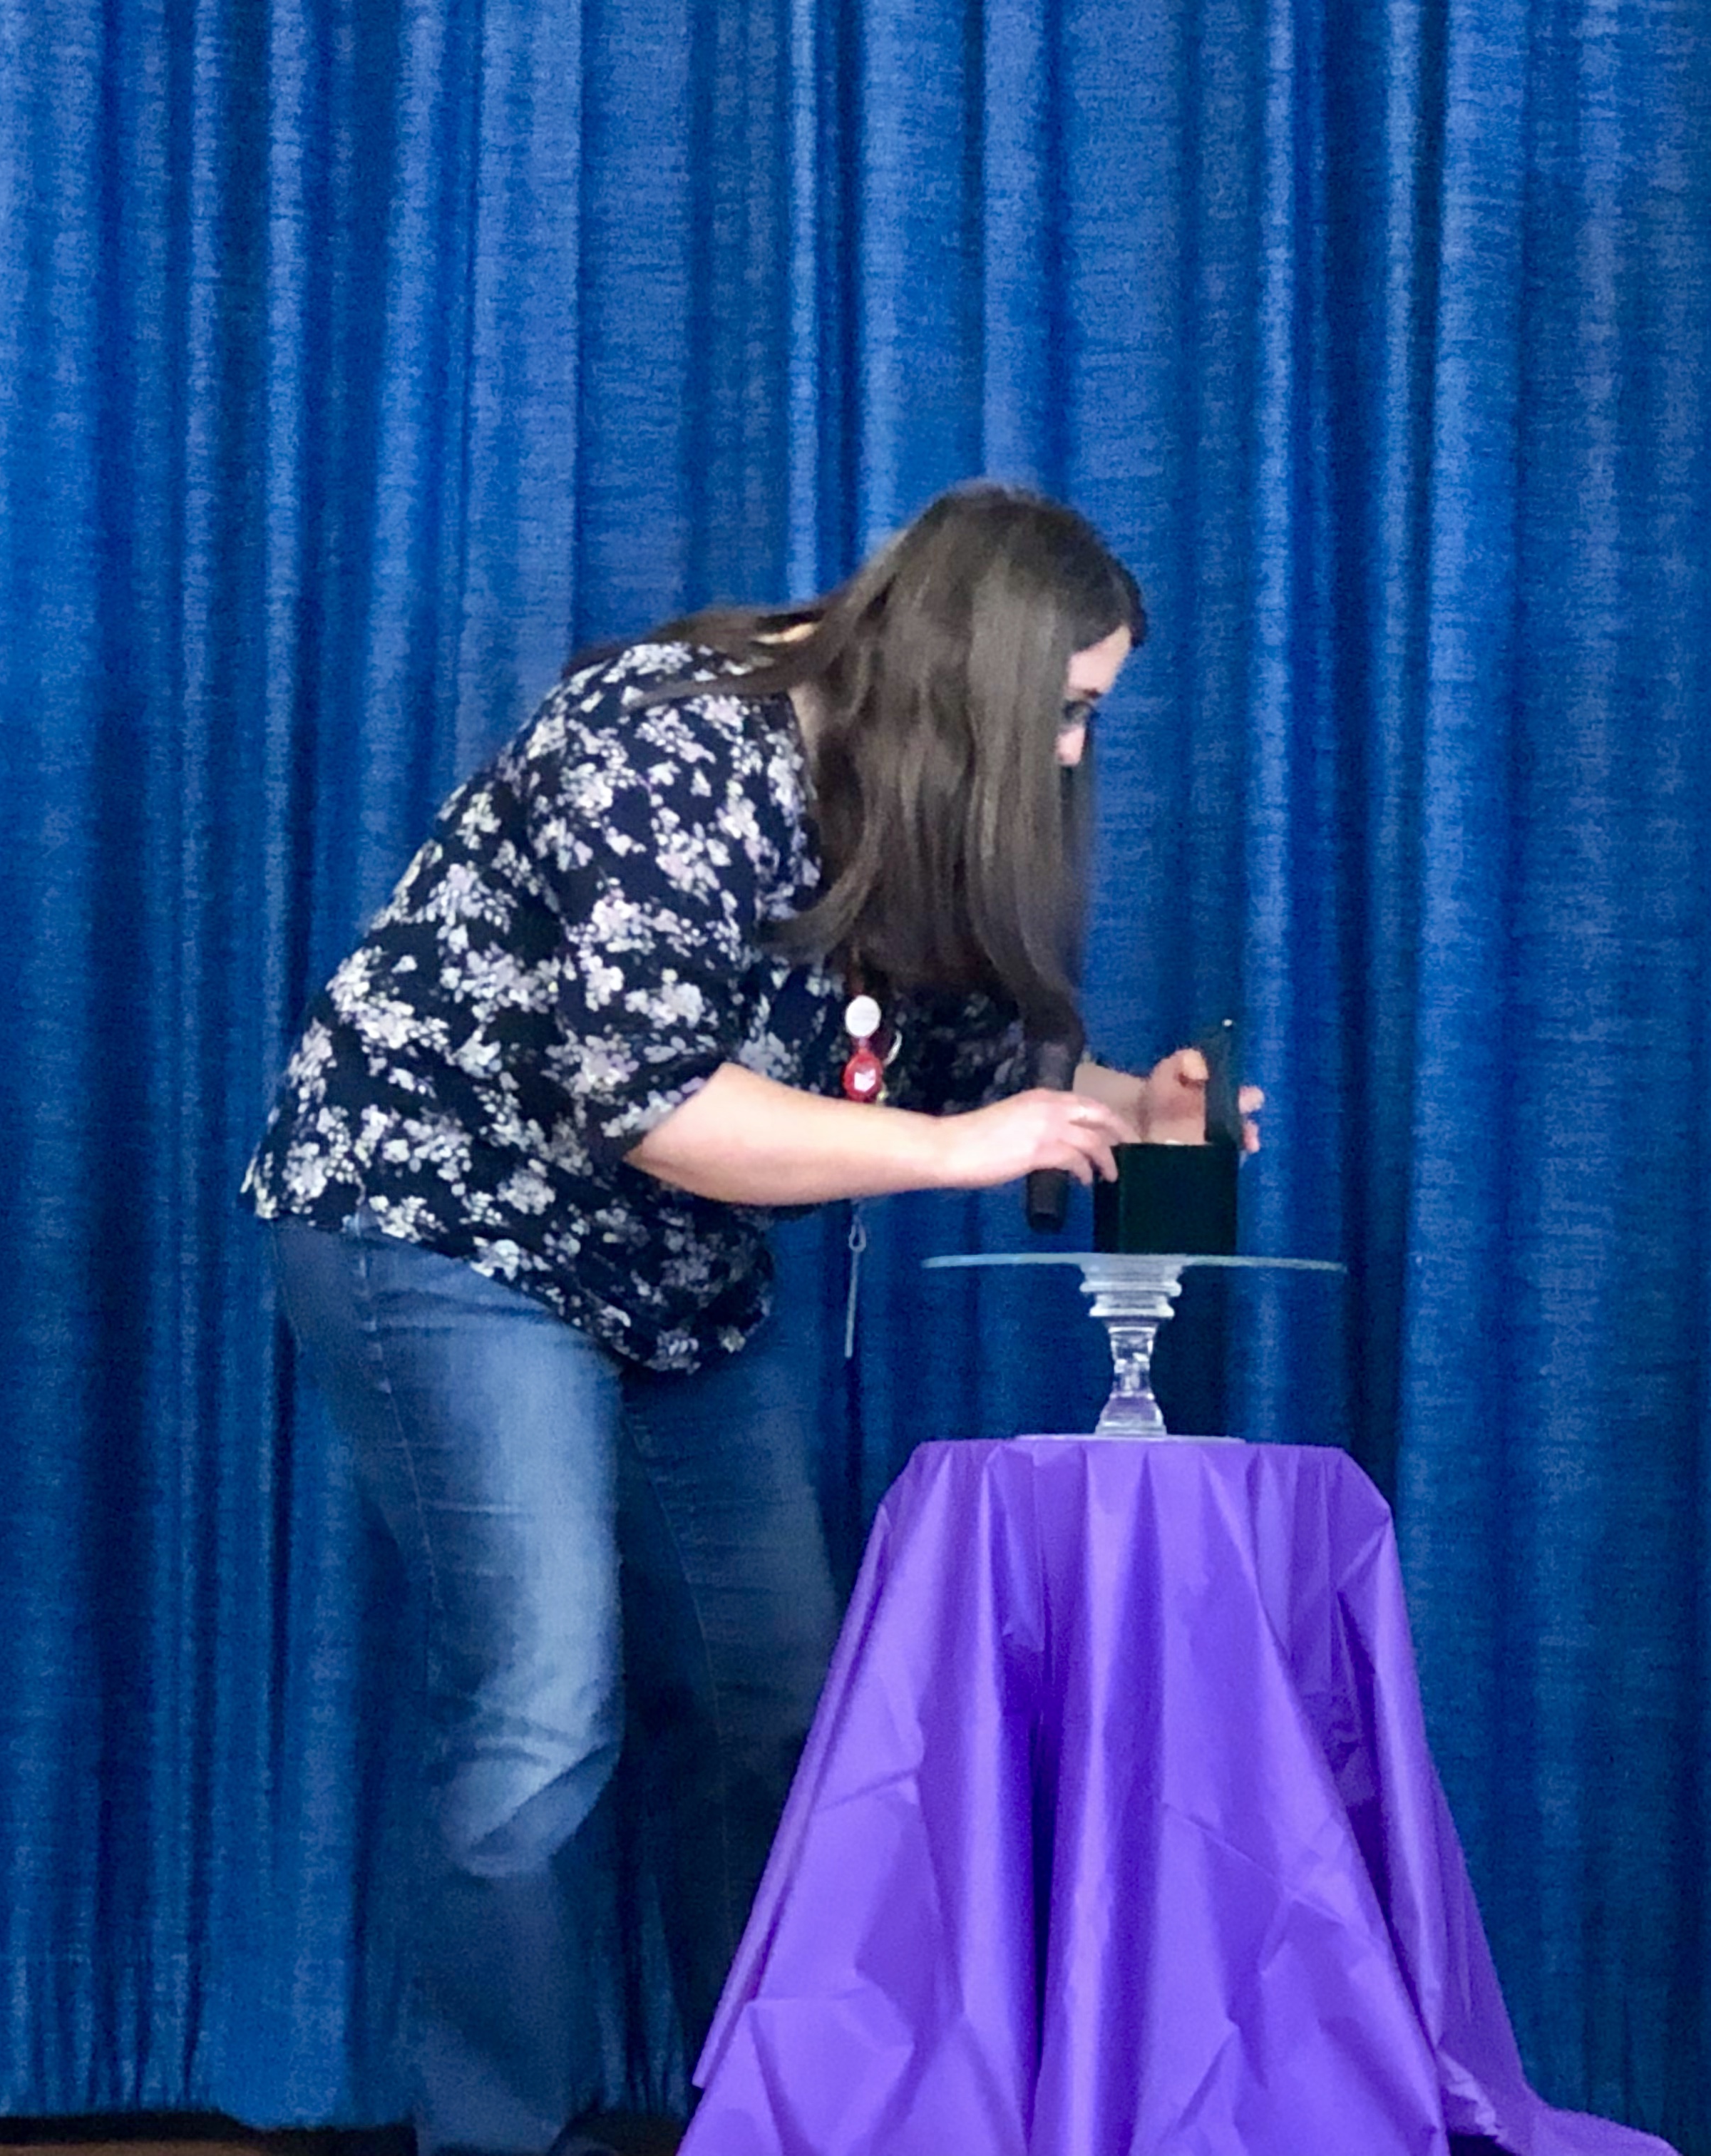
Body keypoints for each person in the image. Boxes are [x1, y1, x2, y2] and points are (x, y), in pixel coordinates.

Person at [244, 482, 1255, 2156]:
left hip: (676, 1275)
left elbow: (941, 1064)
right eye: (1069, 713)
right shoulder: (658, 737)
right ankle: (496, 2135)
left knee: (779, 1696)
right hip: (440, 1225)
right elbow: (653, 1100)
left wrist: (1125, 1106)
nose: (1074, 760)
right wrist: (958, 1151)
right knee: (539, 1693)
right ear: (984, 675)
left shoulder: (901, 794)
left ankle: (776, 2115)